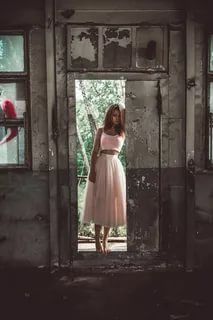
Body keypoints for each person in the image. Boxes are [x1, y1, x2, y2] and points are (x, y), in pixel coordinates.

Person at [81, 103, 126, 254]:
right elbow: (94, 152)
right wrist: (92, 171)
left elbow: (127, 113)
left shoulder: (123, 132)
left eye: (119, 115)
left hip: (115, 167)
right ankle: (96, 239)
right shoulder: (101, 131)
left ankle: (106, 238)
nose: (117, 118)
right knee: (99, 202)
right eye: (114, 114)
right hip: (101, 166)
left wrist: (121, 108)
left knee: (111, 204)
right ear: (109, 115)